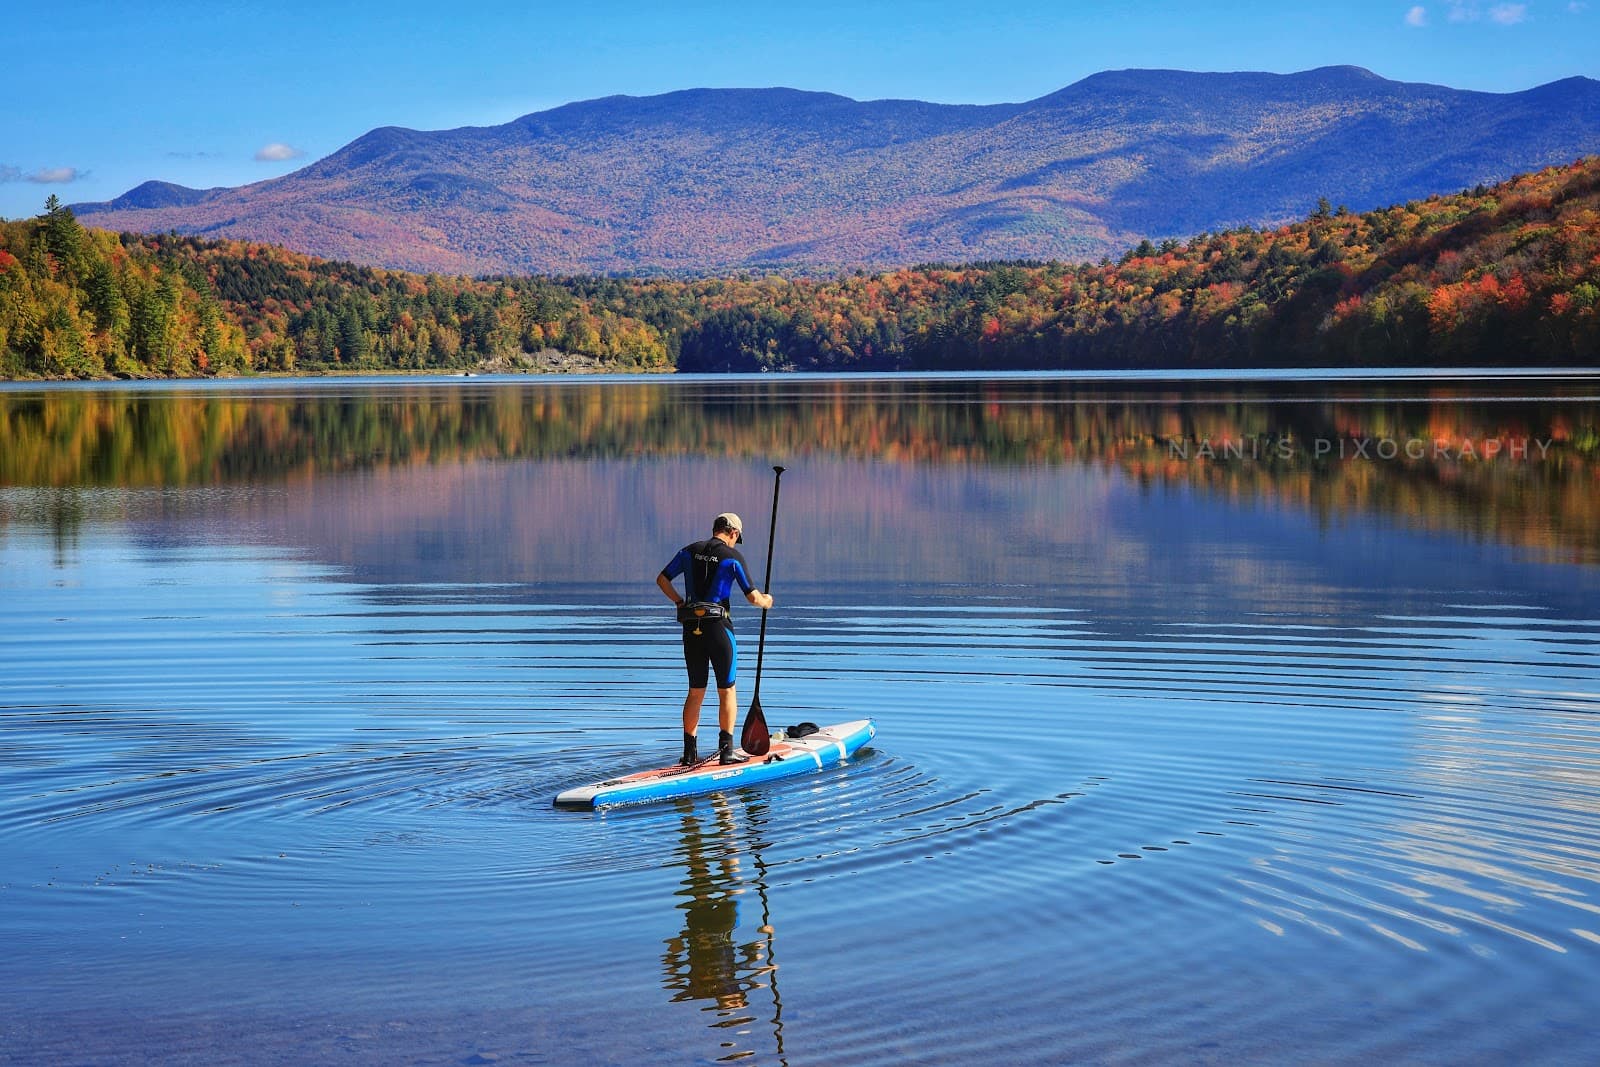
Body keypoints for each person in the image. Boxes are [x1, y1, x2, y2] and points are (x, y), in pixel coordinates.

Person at [657, 512, 774, 765]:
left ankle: (689, 754)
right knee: (727, 690)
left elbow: (662, 579)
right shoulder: (732, 557)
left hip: (691, 628)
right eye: (736, 539)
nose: (735, 543)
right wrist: (767, 601)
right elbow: (753, 597)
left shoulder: (688, 551)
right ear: (733, 533)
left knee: (695, 691)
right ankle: (726, 752)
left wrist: (679, 602)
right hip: (719, 629)